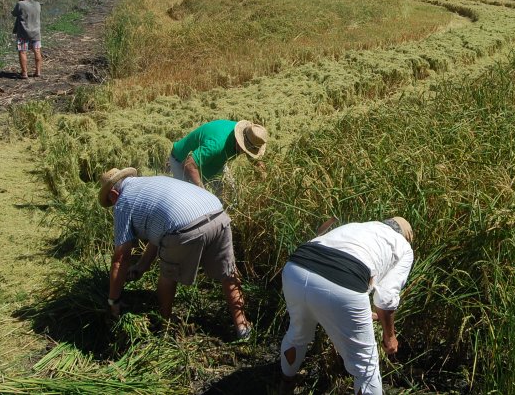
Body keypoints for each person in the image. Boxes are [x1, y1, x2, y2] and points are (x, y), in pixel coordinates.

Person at [98, 167, 251, 339]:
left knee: (167, 277)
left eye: (110, 202)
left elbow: (121, 258)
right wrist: (142, 266)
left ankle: (165, 325)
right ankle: (242, 327)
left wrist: (113, 300)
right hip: (217, 212)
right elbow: (159, 230)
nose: (113, 206)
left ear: (113, 194)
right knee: (229, 273)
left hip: (185, 228)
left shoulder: (122, 202)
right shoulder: (151, 182)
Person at [279, 217, 414, 395]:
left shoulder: (358, 226)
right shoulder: (404, 248)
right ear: (406, 237)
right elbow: (386, 298)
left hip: (295, 269)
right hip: (342, 284)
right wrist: (390, 337)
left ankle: (285, 384)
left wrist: (361, 311)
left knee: (297, 333)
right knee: (366, 366)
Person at [169, 119, 269, 196]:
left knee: (232, 194)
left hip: (214, 161)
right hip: (182, 161)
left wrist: (263, 175)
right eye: (245, 149)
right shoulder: (217, 144)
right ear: (240, 141)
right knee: (193, 202)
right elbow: (189, 164)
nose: (246, 153)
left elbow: (253, 155)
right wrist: (202, 192)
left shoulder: (248, 134)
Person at [11, 0, 42, 79]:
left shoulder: (20, 4)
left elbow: (14, 13)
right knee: (37, 51)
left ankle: (24, 73)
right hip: (36, 32)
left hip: (23, 33)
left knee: (22, 52)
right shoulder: (37, 4)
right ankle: (38, 71)